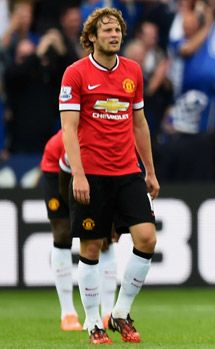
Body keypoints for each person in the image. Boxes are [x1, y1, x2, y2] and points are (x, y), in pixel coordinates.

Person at [58, 8, 159, 344]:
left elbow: (139, 123)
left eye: (117, 30)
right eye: (107, 31)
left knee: (146, 238)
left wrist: (150, 170)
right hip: (93, 174)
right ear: (92, 37)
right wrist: (79, 175)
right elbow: (69, 129)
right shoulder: (75, 74)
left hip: (127, 171)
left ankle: (118, 313)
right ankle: (92, 323)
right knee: (90, 247)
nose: (114, 35)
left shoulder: (132, 72)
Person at [41, 130, 118, 332]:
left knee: (105, 237)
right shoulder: (75, 140)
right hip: (58, 170)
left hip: (99, 172)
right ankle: (68, 313)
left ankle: (108, 313)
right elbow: (67, 183)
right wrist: (81, 215)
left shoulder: (113, 137)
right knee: (63, 232)